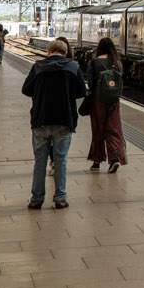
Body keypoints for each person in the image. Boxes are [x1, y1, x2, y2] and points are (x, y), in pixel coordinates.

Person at [22, 36, 86, 210]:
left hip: (41, 119)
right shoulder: (73, 67)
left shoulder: (38, 67)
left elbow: (26, 90)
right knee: (61, 159)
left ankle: (36, 198)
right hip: (64, 119)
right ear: (65, 54)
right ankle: (60, 197)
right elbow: (81, 92)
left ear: (48, 52)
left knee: (40, 161)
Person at [84, 36, 127, 173]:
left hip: (98, 101)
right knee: (113, 130)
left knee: (98, 130)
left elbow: (90, 83)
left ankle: (96, 162)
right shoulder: (117, 63)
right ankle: (114, 159)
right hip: (114, 101)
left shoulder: (94, 62)